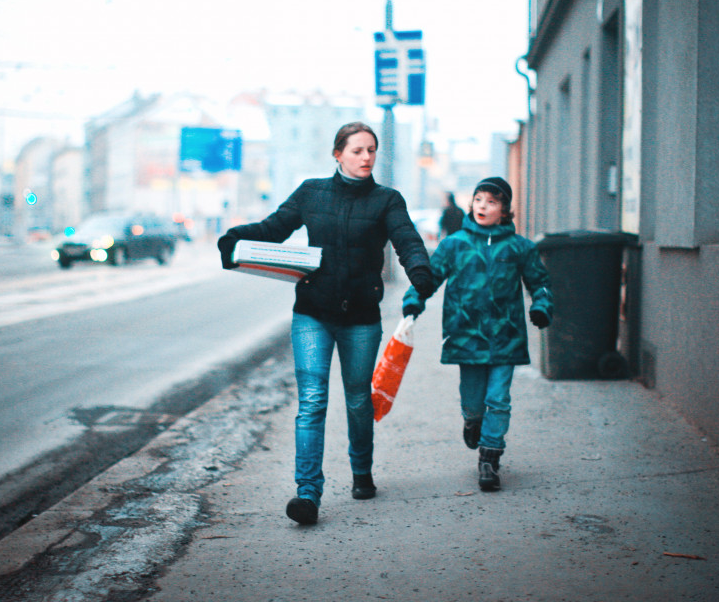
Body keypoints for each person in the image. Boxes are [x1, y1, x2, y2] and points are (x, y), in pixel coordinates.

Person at [218, 122, 435, 525]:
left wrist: (420, 272)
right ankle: (308, 493)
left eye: (371, 150)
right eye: (357, 150)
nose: (367, 157)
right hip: (312, 314)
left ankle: (361, 472)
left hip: (361, 319)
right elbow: (274, 228)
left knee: (357, 400)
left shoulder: (387, 200)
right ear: (338, 154)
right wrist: (235, 238)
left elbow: (407, 239)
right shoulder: (310, 192)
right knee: (313, 401)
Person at [401, 176, 553, 492]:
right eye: (479, 199)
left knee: (498, 400)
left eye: (492, 202)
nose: (483, 206)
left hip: (506, 336)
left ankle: (489, 458)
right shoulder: (454, 244)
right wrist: (414, 301)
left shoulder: (519, 248)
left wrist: (541, 306)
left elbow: (540, 283)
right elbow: (429, 278)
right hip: (465, 336)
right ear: (472, 203)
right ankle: (473, 420)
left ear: (505, 210)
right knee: (474, 401)